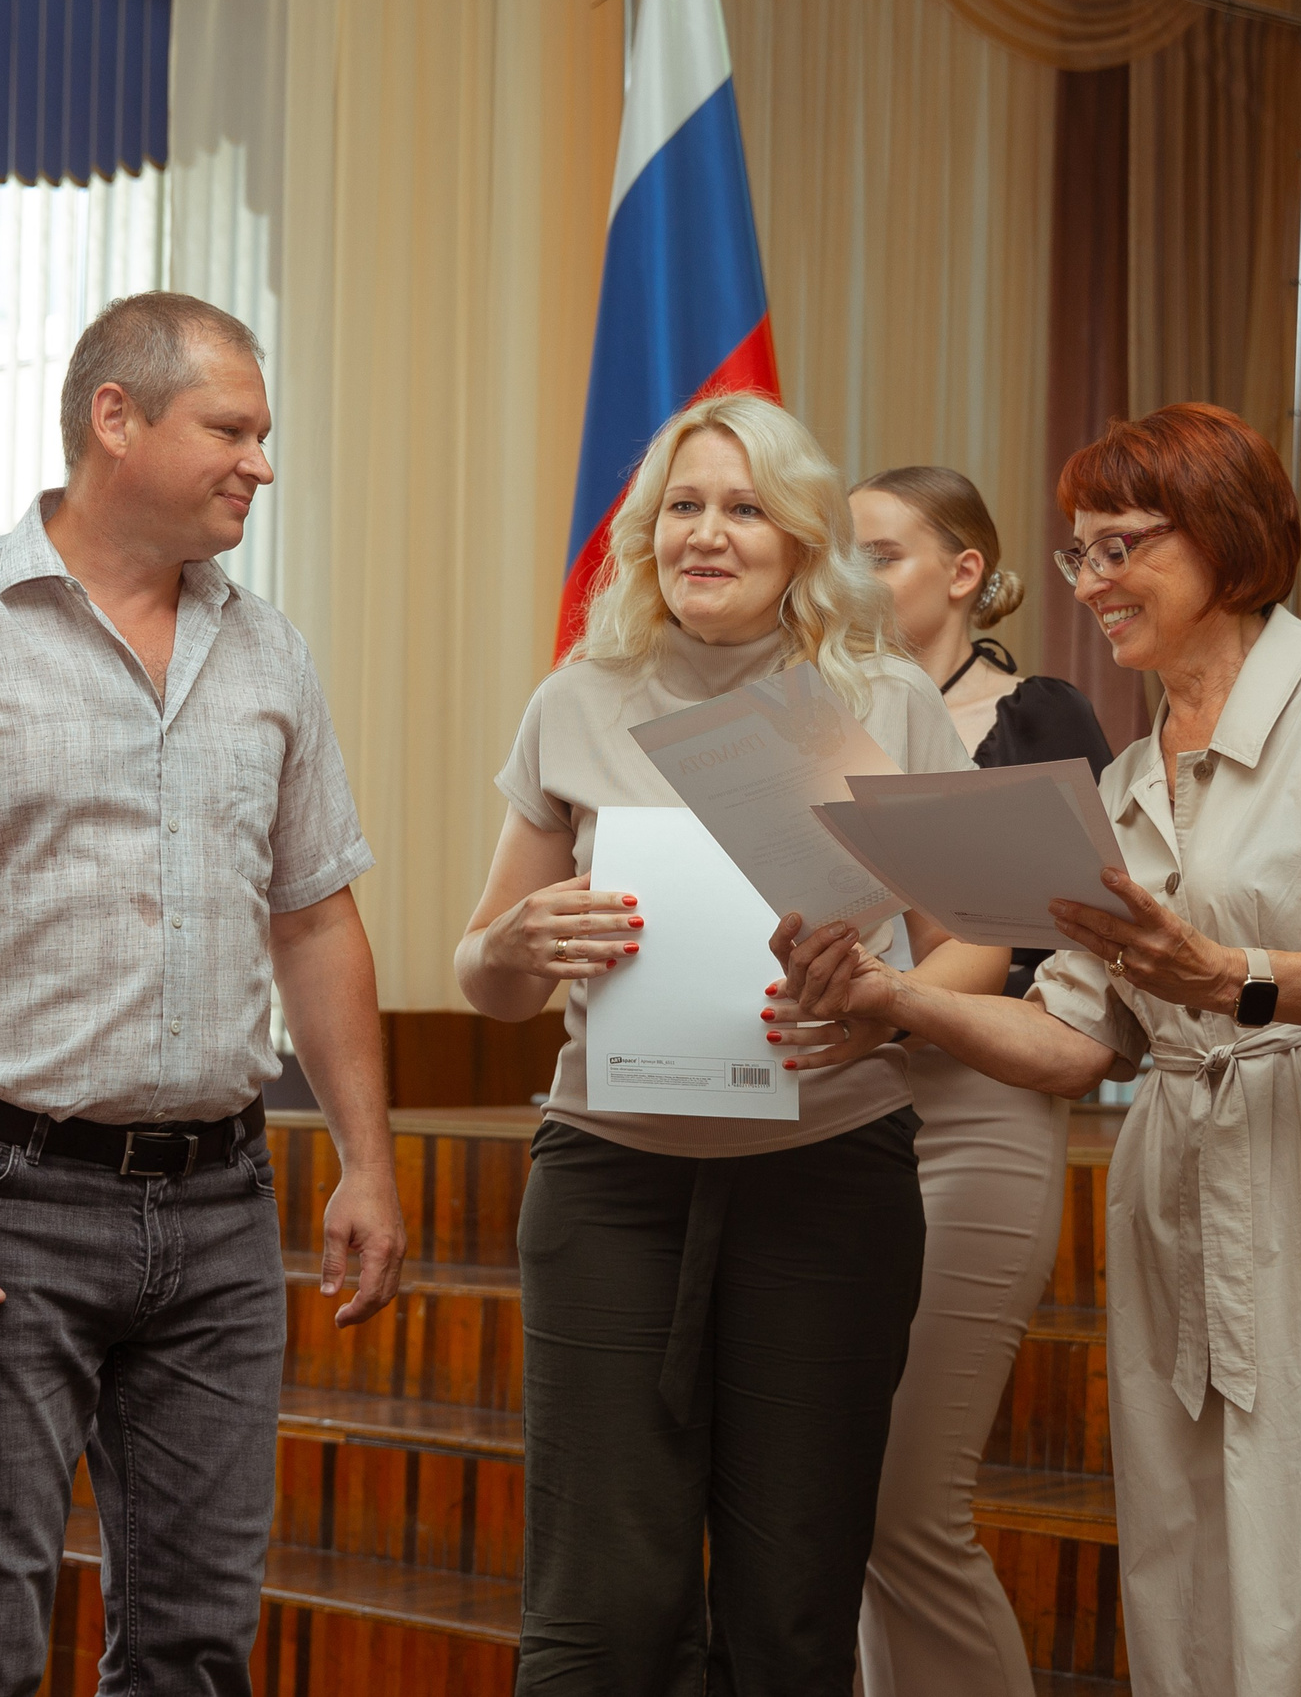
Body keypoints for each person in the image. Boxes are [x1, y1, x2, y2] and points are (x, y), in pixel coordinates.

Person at [771, 404, 1301, 1697]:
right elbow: (1069, 1034)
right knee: (1206, 1567)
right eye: (1078, 555)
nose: (1090, 586)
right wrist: (892, 996)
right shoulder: (1135, 775)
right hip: (1191, 1197)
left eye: (1120, 549)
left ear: (1227, 540)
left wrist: (1235, 978)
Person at [0, 292, 407, 1697]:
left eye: (266, 435)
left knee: (195, 1644)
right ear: (113, 420)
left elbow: (315, 921)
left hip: (223, 1207)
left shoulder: (271, 652)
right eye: (230, 429)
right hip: (0, 1200)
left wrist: (368, 1159)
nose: (260, 463)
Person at [455, 393, 1010, 1696]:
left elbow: (975, 943)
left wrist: (883, 995)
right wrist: (526, 939)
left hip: (830, 1179)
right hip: (609, 1183)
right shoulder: (580, 700)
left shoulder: (878, 699)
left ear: (801, 537)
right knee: (602, 1608)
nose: (709, 534)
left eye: (745, 507)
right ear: (647, 533)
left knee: (794, 1603)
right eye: (683, 507)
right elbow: (480, 978)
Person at [847, 467, 1112, 1697]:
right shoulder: (822, 714)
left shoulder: (1035, 713)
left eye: (881, 554)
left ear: (963, 573)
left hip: (980, 1106)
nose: (851, 579)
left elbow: (1058, 945)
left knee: (907, 1501)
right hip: (838, 1114)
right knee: (840, 1504)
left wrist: (905, 989)